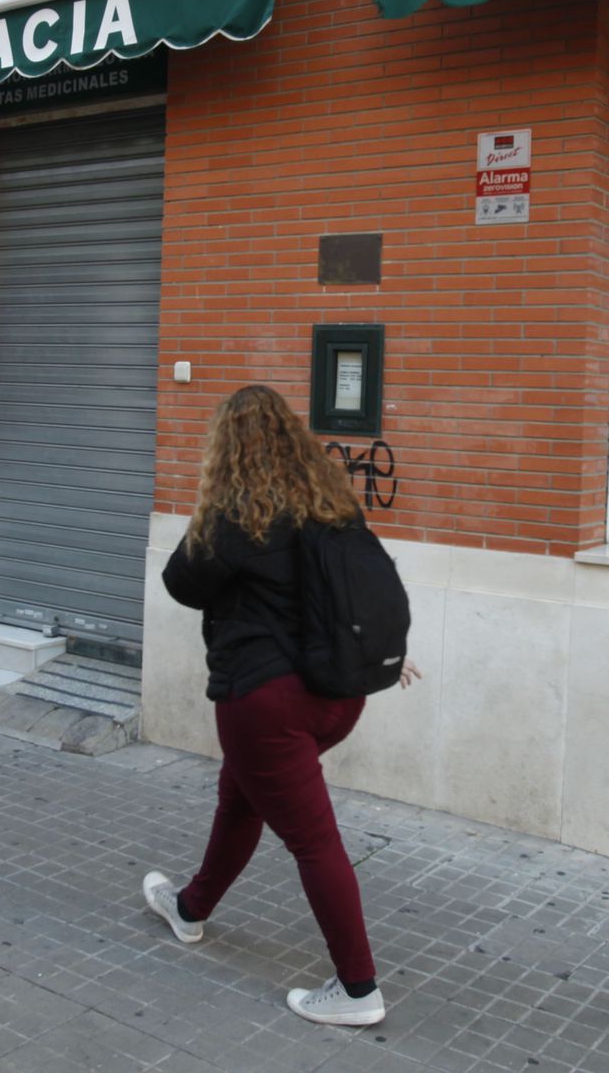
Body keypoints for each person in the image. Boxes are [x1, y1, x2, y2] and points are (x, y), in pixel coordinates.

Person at [143, 385, 420, 1027]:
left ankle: (357, 991)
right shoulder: (330, 502)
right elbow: (361, 591)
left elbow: (180, 583)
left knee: (313, 841)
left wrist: (206, 511)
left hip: (267, 704)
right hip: (338, 697)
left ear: (225, 449)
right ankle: (189, 910)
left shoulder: (236, 518)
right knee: (240, 799)